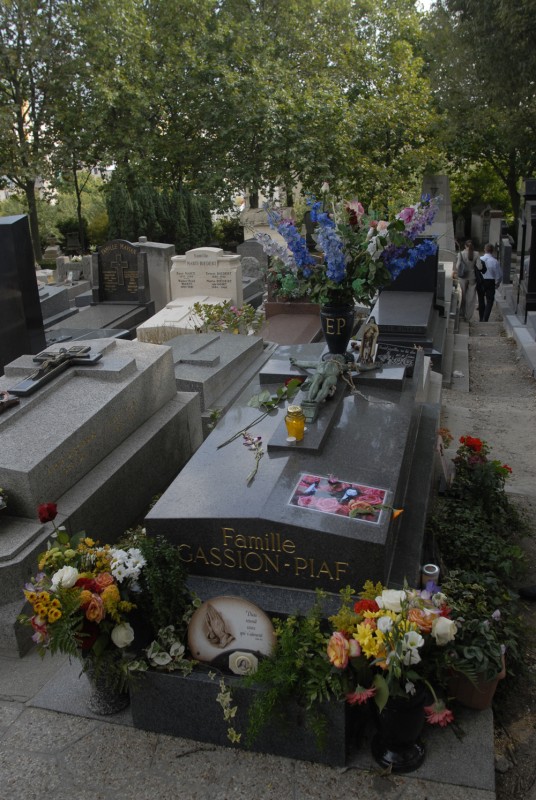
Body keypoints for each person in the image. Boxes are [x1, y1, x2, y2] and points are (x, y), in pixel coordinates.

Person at [455, 240, 482, 322]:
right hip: (472, 277)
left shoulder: (461, 254)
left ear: (465, 246)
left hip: (463, 277)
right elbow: (480, 267)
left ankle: (462, 314)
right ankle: (468, 316)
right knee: (471, 298)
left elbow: (457, 266)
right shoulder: (476, 254)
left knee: (462, 296)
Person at [480, 244, 502, 322]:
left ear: (484, 250)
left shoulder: (480, 259)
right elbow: (499, 275)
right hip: (490, 281)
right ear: (492, 251)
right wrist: (497, 283)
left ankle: (481, 316)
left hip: (481, 280)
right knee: (489, 300)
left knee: (481, 299)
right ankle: (485, 318)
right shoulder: (495, 261)